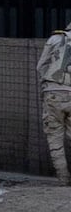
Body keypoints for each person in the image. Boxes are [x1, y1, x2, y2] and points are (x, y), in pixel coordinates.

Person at [40, 24, 71, 185]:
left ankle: (63, 178)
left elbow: (41, 66)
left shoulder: (55, 39)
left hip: (53, 93)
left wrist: (45, 86)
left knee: (55, 137)